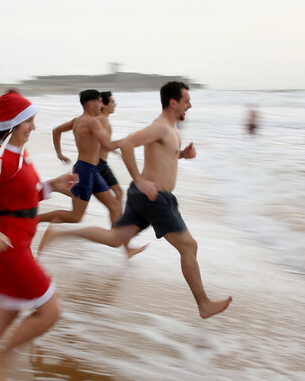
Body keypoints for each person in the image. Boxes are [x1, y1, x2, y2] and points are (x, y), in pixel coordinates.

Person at [39, 81, 232, 319]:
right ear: (173, 103)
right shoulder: (160, 127)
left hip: (148, 196)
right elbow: (129, 143)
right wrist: (139, 179)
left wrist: (182, 155)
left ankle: (60, 234)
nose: (189, 106)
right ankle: (203, 304)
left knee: (115, 238)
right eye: (186, 101)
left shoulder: (172, 130)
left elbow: (166, 157)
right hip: (153, 196)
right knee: (189, 246)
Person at [0, 91, 78, 381]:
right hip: (6, 246)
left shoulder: (20, 153)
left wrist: (51, 186)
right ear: (14, 123)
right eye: (29, 122)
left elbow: (22, 195)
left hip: (18, 241)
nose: (33, 127)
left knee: (7, 313)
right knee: (51, 310)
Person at [38, 89, 122, 225]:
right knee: (76, 216)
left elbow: (56, 130)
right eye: (99, 101)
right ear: (90, 104)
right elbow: (108, 144)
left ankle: (118, 240)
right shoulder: (92, 122)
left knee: (114, 206)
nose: (101, 105)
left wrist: (59, 153)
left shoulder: (77, 120)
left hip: (91, 169)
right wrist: (134, 140)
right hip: (86, 170)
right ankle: (35, 219)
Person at [53, 90, 124, 207]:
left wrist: (59, 153)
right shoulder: (96, 121)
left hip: (91, 165)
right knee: (114, 194)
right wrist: (129, 142)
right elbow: (105, 144)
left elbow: (101, 142)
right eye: (112, 102)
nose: (115, 104)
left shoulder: (91, 120)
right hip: (96, 164)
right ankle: (54, 187)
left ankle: (54, 186)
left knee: (87, 195)